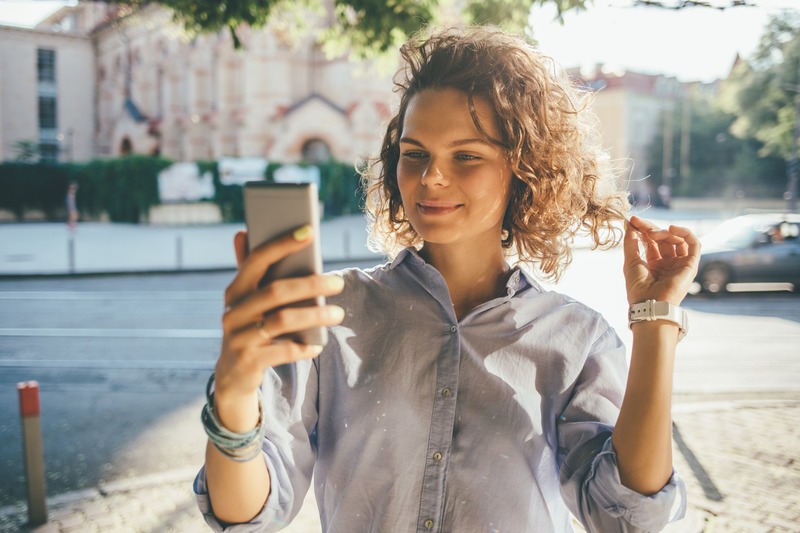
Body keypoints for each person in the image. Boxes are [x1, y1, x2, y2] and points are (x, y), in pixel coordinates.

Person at [194, 26, 699, 532]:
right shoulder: (329, 312)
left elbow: (627, 517)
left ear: (523, 169)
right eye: (415, 154)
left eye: (466, 155)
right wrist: (235, 396)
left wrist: (655, 321)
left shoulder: (575, 338)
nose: (431, 177)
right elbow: (248, 517)